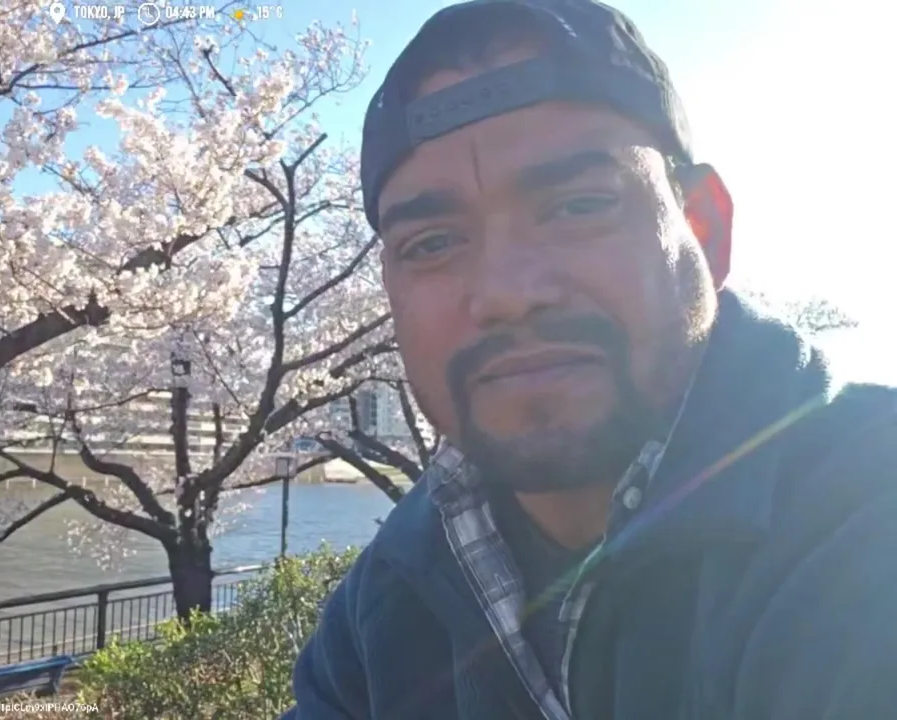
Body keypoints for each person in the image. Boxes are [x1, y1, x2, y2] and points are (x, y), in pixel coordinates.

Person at [285, 1, 897, 718]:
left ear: (704, 229)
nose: (508, 293)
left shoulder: (867, 513)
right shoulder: (388, 599)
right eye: (433, 244)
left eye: (579, 206)